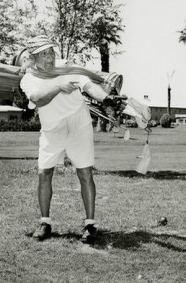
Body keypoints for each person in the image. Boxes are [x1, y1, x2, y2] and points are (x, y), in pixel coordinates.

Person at [18, 35, 123, 243]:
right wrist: (58, 88)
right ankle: (45, 223)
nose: (50, 57)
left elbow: (90, 88)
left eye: (52, 52)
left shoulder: (68, 69)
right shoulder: (28, 79)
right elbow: (38, 99)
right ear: (33, 57)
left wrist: (107, 98)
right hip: (52, 131)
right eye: (44, 54)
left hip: (79, 127)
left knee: (85, 174)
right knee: (43, 173)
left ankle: (90, 225)